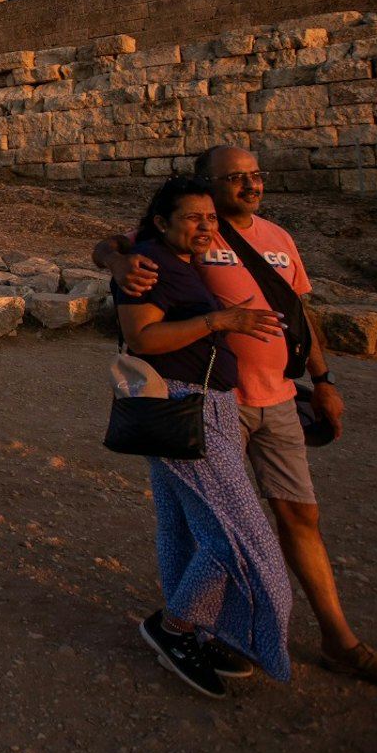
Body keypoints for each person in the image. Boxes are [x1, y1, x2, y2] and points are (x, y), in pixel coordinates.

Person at [95, 145, 377, 694]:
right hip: (202, 402)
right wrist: (114, 262)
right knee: (217, 528)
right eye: (235, 178)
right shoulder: (183, 236)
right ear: (209, 183)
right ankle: (183, 628)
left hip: (274, 400)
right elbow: (113, 252)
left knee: (294, 518)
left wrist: (324, 380)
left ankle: (337, 639)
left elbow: (299, 312)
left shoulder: (275, 238)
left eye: (255, 176)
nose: (249, 186)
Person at [115, 176, 292, 698]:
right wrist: (223, 320)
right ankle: (175, 627)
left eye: (210, 218)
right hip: (185, 405)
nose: (205, 226)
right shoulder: (148, 265)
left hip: (189, 403)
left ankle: (194, 629)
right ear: (162, 221)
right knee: (237, 536)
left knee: (182, 526)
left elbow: (112, 247)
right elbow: (141, 336)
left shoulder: (163, 258)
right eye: (194, 217)